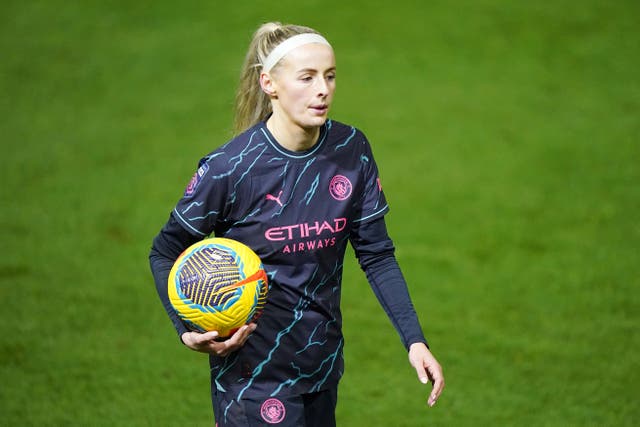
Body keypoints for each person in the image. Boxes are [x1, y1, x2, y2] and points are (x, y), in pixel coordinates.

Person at [149, 22, 444, 426]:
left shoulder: (351, 150)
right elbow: (165, 250)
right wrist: (187, 328)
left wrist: (415, 340)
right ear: (269, 83)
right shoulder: (229, 169)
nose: (322, 89)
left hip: (321, 366)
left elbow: (376, 254)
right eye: (306, 78)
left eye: (330, 75)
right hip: (252, 379)